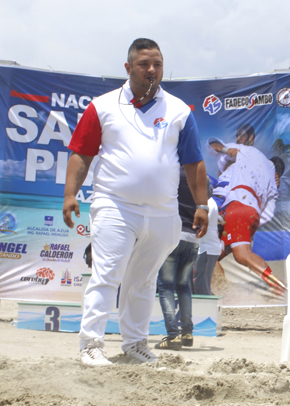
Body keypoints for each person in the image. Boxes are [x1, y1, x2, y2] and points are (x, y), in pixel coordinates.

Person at [62, 38, 208, 366]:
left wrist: (202, 205)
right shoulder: (102, 106)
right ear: (128, 68)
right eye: (144, 64)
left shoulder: (179, 111)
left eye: (157, 64)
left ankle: (135, 344)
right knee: (107, 274)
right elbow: (81, 153)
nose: (152, 70)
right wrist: (71, 194)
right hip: (116, 205)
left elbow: (194, 163)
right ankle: (90, 345)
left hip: (162, 212)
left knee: (144, 280)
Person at [209, 130, 285, 294]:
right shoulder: (272, 184)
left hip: (235, 206)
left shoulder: (248, 154)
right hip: (251, 214)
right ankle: (222, 292)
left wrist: (225, 150)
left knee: (242, 255)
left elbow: (213, 145)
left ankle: (280, 289)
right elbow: (267, 214)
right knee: (208, 257)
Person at [154, 168, 211, 350]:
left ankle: (173, 335)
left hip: (172, 235)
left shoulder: (168, 173)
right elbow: (207, 197)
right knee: (184, 286)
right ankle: (187, 333)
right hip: (193, 238)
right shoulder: (202, 176)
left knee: (166, 286)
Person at [192, 196, 222, 296]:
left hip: (207, 249)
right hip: (206, 247)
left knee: (201, 286)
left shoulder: (208, 203)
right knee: (199, 284)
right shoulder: (207, 203)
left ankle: (206, 310)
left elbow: (199, 225)